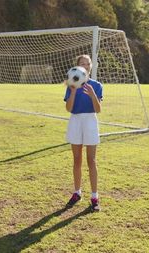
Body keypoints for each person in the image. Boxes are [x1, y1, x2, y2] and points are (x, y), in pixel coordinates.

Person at [64, 54, 103, 212]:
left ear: (90, 67)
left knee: (91, 160)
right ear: (77, 67)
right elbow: (68, 108)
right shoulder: (71, 84)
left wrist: (93, 94)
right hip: (75, 121)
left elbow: (98, 109)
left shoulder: (97, 85)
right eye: (82, 64)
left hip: (90, 121)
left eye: (87, 64)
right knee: (77, 159)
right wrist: (73, 92)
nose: (85, 66)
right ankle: (77, 192)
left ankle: (94, 196)